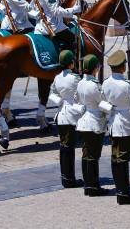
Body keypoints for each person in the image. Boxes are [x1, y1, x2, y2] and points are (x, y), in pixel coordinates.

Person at [101, 50, 130, 204]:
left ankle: (121, 191)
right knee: (122, 159)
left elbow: (103, 101)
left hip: (113, 123)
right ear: (123, 67)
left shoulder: (106, 83)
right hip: (127, 125)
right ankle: (123, 193)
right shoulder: (127, 85)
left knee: (117, 158)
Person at [49, 50, 84, 188]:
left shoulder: (57, 77)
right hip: (72, 115)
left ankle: (66, 177)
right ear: (71, 63)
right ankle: (69, 179)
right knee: (69, 148)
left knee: (64, 147)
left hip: (61, 115)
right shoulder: (75, 78)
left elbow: (53, 93)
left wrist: (61, 101)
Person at [76, 54, 109, 197]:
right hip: (94, 122)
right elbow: (102, 103)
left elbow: (77, 99)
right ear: (95, 68)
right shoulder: (95, 86)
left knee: (86, 154)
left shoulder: (80, 83)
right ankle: (93, 186)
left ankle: (87, 184)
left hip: (84, 121)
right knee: (93, 156)